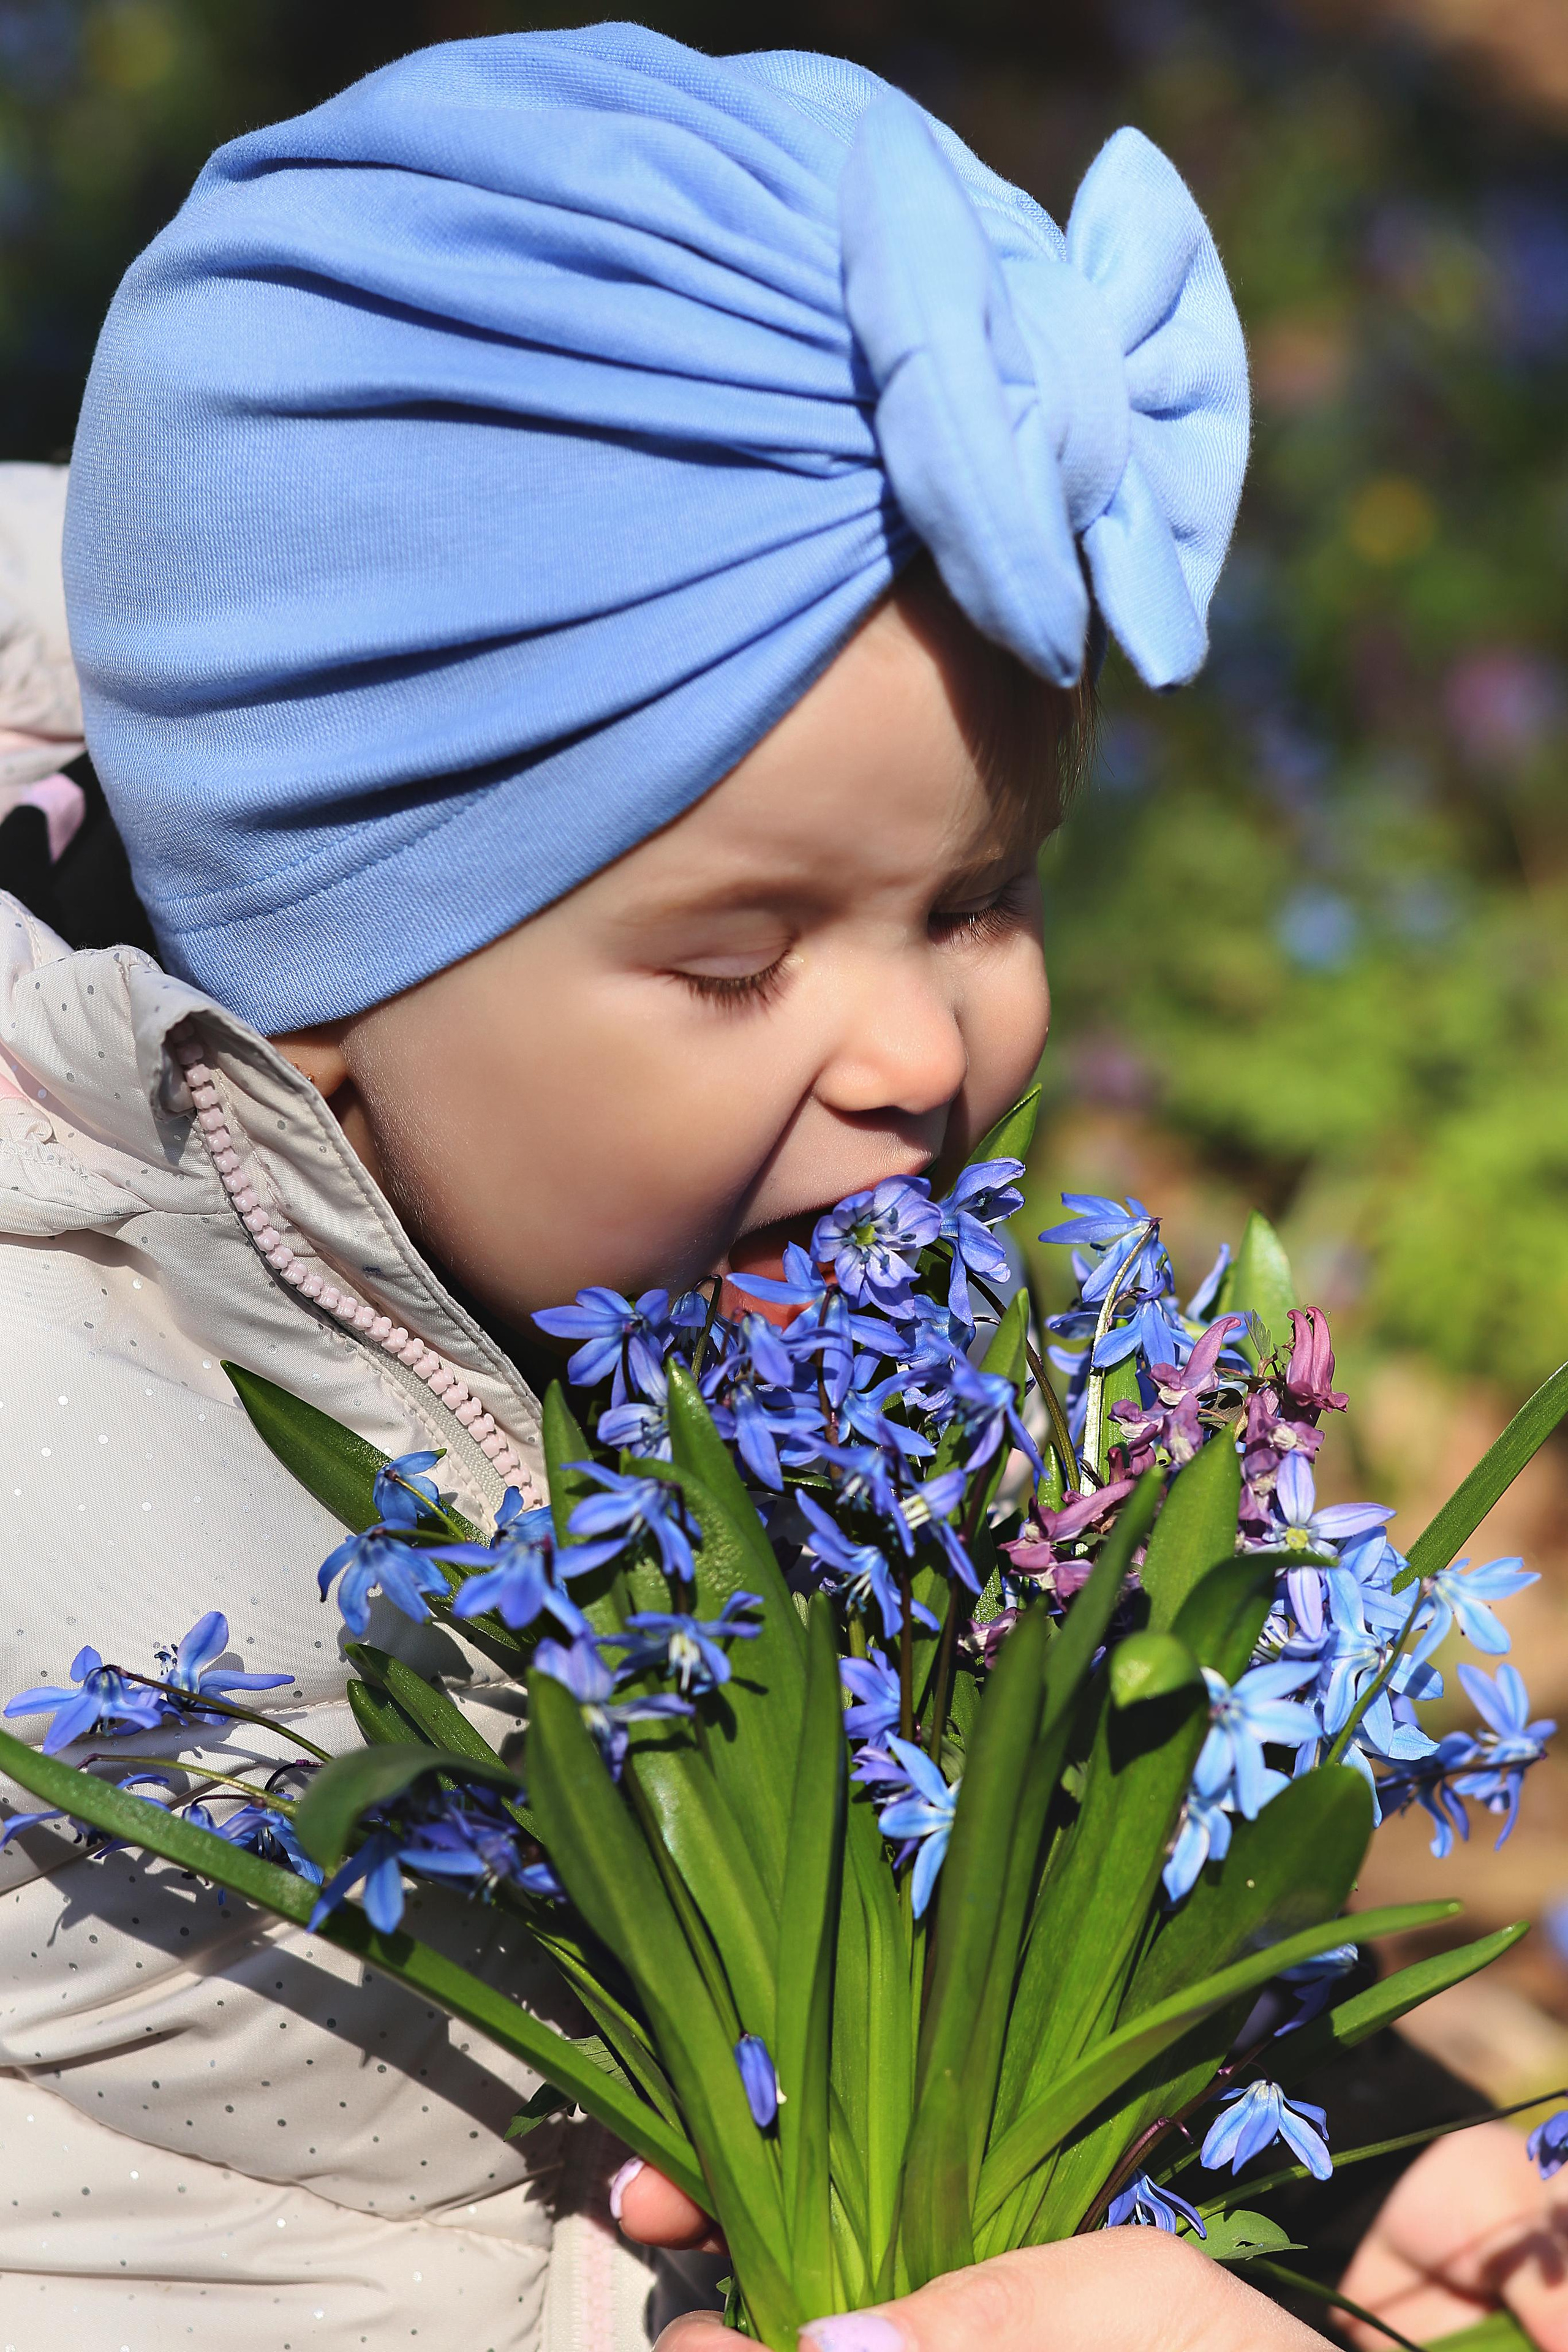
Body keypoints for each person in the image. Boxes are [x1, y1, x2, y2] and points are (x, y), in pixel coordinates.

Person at [0, 21, 1528, 2352]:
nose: (921, 1058)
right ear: (313, 998)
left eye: (981, 900)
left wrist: (1341, 2152)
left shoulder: (776, 1300)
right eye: (739, 961)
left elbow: (972, 1925)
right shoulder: (78, 1547)